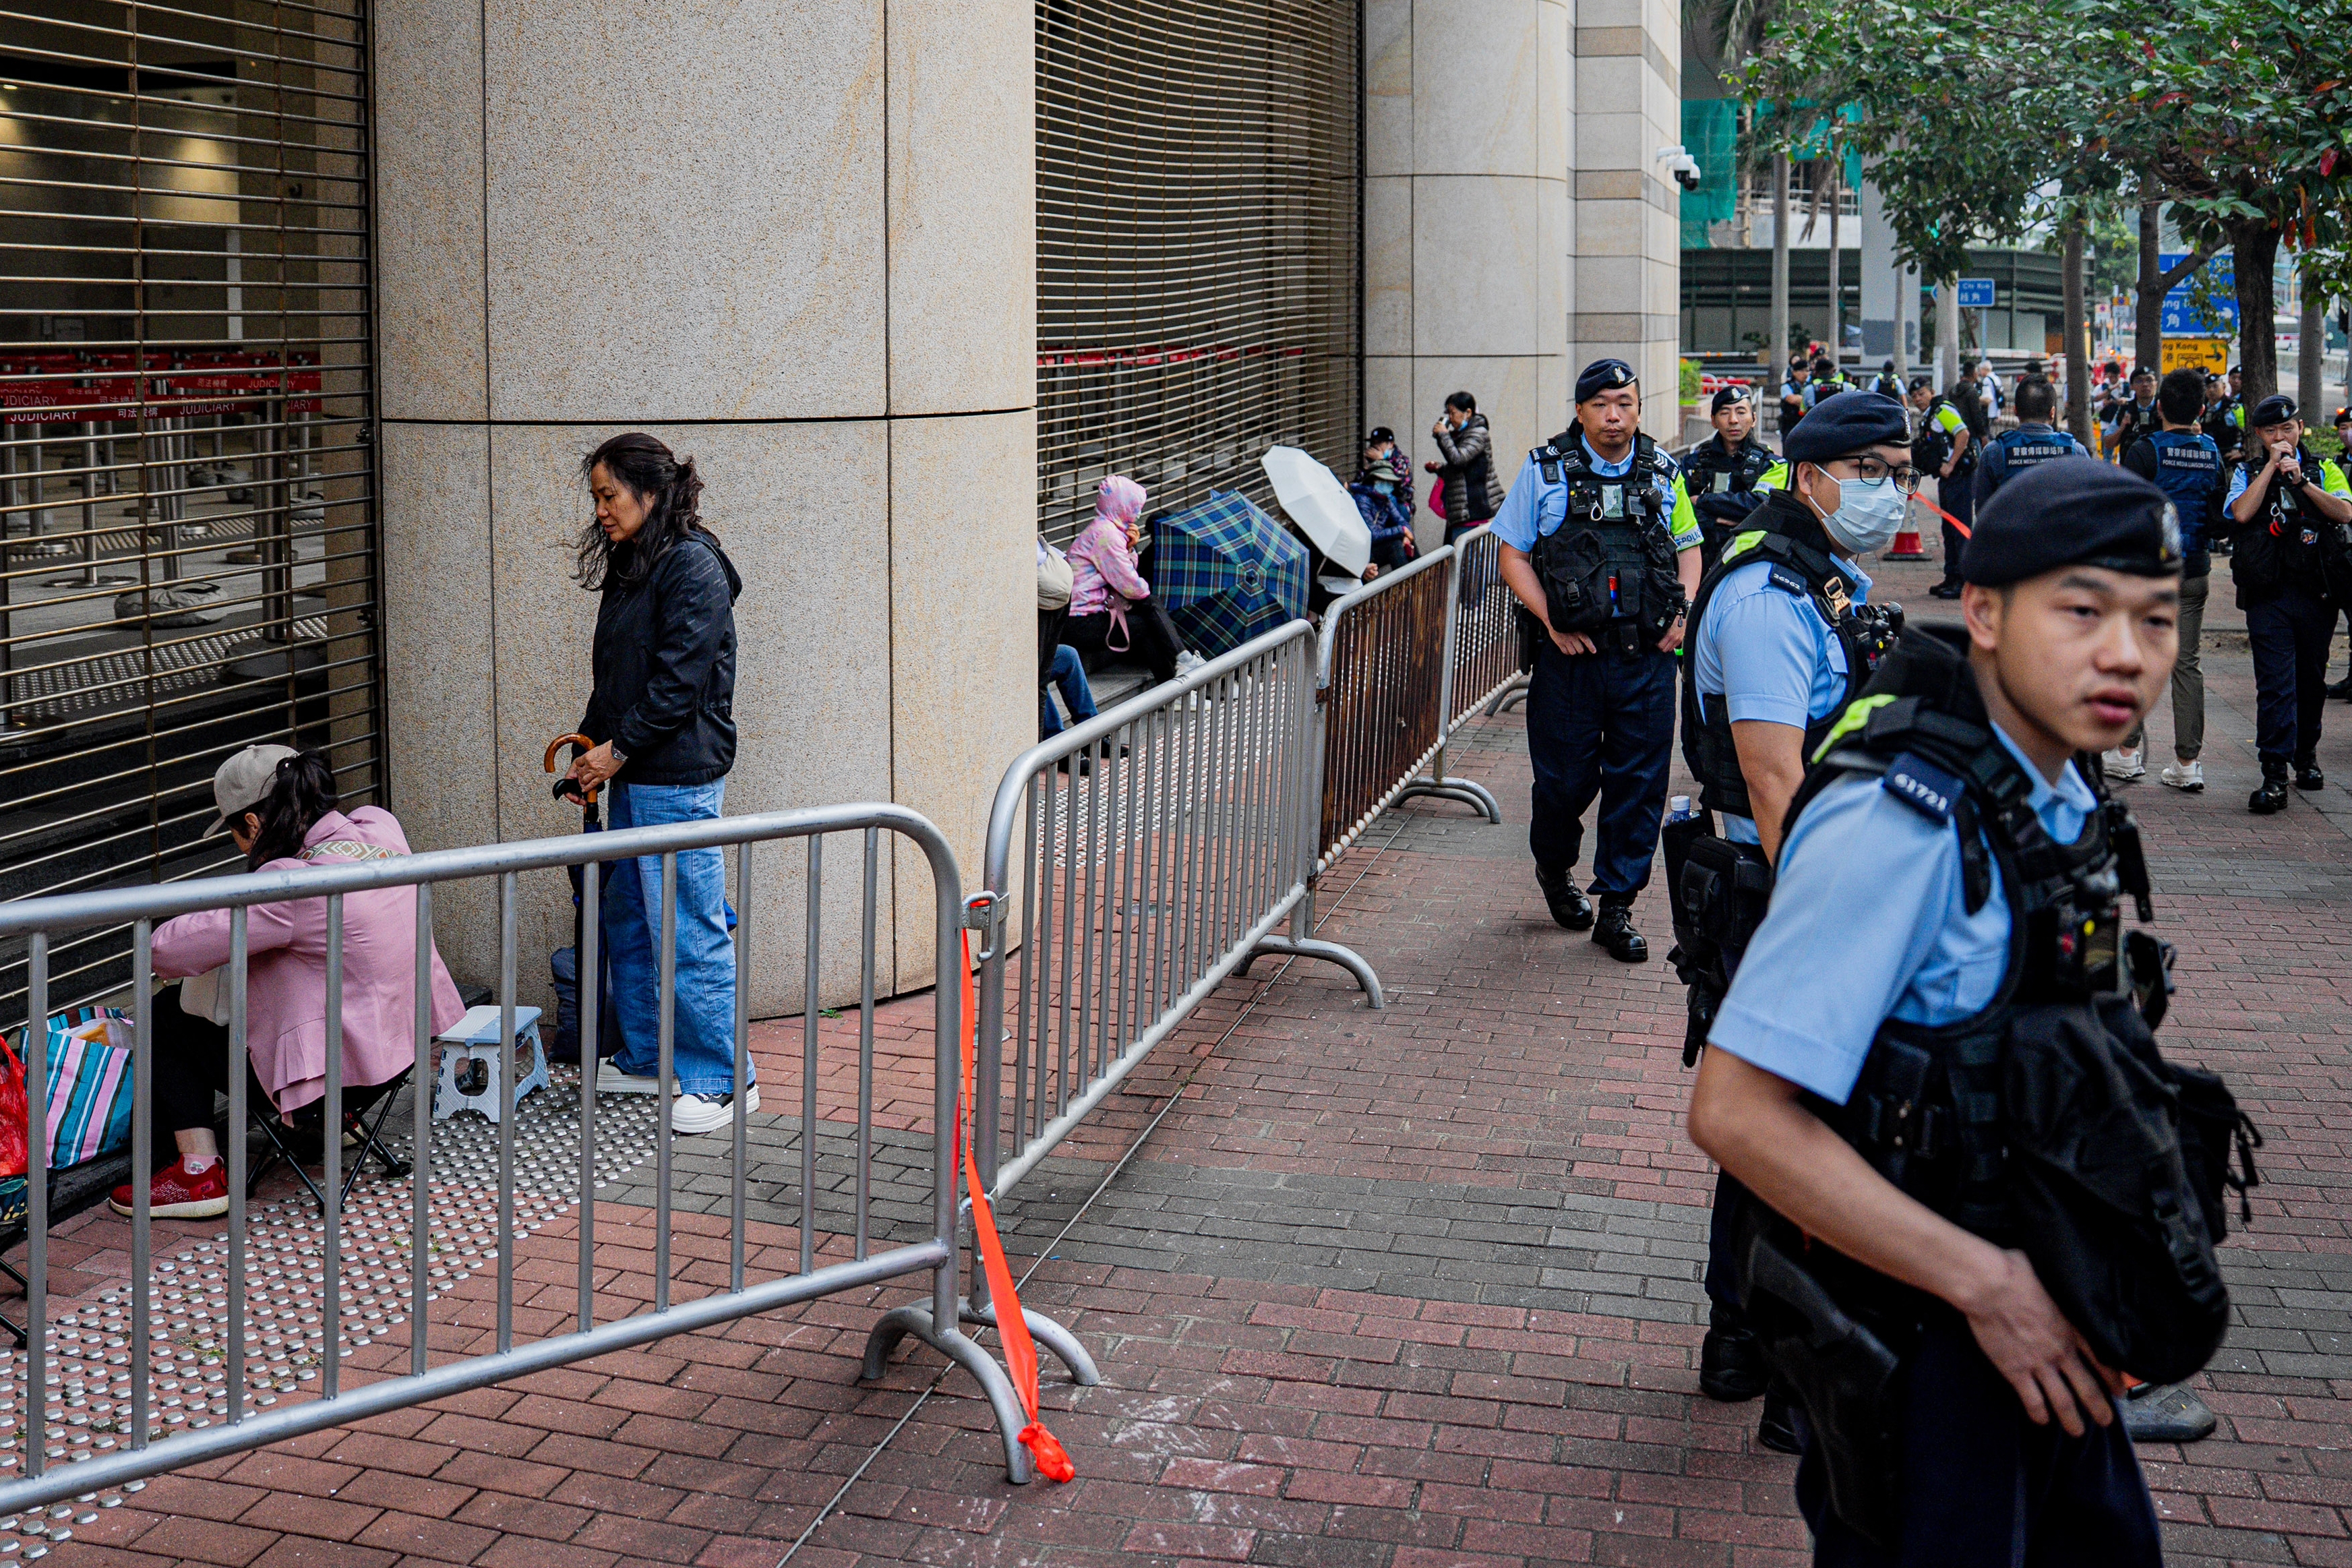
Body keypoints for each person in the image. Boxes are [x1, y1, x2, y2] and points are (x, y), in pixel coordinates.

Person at [1689, 459, 2210, 1567]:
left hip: (2043, 1335)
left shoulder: (2054, 786)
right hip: (1932, 1351)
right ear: (1979, 611)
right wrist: (1986, 1286)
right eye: (2080, 611)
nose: (2123, 652)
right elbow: (1734, 1112)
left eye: (2154, 619)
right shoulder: (1900, 814)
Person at [1677, 390, 1914, 1444]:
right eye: (1869, 468)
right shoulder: (1770, 595)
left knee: (1777, 1126)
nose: (1889, 487)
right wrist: (1835, 926)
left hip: (1792, 878)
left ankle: (1739, 1341)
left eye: (1899, 467)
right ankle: (1790, 1381)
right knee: (1809, 1131)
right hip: (1775, 886)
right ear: (1812, 475)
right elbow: (1774, 784)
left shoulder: (1815, 575)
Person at [121, 746, 466, 1217]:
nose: (241, 847)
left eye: (237, 834)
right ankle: (338, 1127)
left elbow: (164, 951)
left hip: (333, 1081)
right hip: (396, 1058)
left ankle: (198, 1171)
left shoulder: (293, 884)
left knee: (165, 1017)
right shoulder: (379, 827)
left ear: (255, 824)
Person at [563, 432, 754, 1135]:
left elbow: (678, 685)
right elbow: (616, 676)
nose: (603, 511)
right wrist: (589, 748)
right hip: (636, 768)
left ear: (649, 491)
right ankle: (650, 1056)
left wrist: (613, 751)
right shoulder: (634, 559)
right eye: (598, 498)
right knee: (634, 919)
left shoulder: (692, 568)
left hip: (676, 774)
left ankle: (720, 1080)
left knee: (686, 923)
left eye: (609, 495)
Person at [1491, 358, 1703, 962]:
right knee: (1562, 786)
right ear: (1580, 410)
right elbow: (1513, 555)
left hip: (1646, 659)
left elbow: (1688, 546)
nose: (1615, 416)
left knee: (1639, 787)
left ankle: (1617, 907)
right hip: (1571, 661)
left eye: (1626, 404)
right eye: (1602, 405)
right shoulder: (1546, 470)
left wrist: (1683, 612)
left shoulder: (1664, 471)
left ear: (1639, 408)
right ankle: (1553, 869)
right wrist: (1551, 620)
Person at [2226, 394, 2352, 811]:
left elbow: (2345, 512)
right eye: (2271, 431)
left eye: (2287, 429)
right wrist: (2269, 470)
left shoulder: (2325, 469)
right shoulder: (2246, 472)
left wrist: (2301, 482)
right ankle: (2274, 773)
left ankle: (2306, 756)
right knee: (2275, 684)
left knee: (2311, 680)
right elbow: (2240, 514)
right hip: (2269, 596)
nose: (2281, 437)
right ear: (2260, 435)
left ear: (2300, 428)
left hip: (2317, 594)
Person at [2109, 368, 2227, 789]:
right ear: (2201, 408)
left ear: (2159, 407)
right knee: (2187, 663)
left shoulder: (2144, 451)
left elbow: (2125, 509)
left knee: (2137, 656)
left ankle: (2125, 753)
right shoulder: (2211, 450)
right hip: (2195, 570)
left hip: (2151, 574)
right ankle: (2188, 763)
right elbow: (2219, 511)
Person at [1063, 475, 1203, 685]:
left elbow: (1123, 575)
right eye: (1134, 507)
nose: (1137, 514)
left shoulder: (1106, 531)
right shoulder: (1105, 535)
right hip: (1080, 621)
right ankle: (1180, 667)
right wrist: (1144, 596)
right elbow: (1129, 584)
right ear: (1121, 506)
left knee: (1147, 612)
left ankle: (1178, 675)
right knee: (1149, 609)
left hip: (1090, 614)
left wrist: (1129, 548)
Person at [1679, 385, 1779, 569]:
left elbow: (1762, 506)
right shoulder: (1693, 462)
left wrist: (1702, 501)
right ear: (1713, 421)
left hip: (1752, 562)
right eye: (1725, 413)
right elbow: (1679, 507)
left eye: (1741, 412)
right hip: (1698, 561)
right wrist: (1713, 520)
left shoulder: (1773, 465)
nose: (1733, 420)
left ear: (1754, 419)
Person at [1972, 378, 2087, 507]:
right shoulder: (2076, 451)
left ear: (2016, 411)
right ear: (2052, 413)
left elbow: (1982, 509)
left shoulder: (1994, 452)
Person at [1911, 376, 1977, 599]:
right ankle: (1952, 577)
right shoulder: (1930, 414)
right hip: (1948, 479)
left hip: (1959, 476)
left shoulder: (1942, 411)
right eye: (1914, 397)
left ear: (1931, 391)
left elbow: (1963, 433)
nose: (1918, 399)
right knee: (1948, 530)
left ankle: (1963, 583)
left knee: (1959, 529)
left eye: (1921, 394)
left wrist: (1951, 464)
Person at [1425, 393, 1505, 543]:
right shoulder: (1461, 434)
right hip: (1461, 511)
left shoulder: (1478, 433)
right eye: (1447, 413)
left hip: (1474, 510)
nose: (1450, 418)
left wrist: (1443, 435)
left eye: (1453, 413)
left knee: (1469, 561)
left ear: (1468, 413)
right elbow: (1461, 470)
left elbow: (1459, 459)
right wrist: (1439, 468)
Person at [1351, 427, 1420, 572]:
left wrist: (1405, 533)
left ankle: (1424, 580)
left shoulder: (1386, 498)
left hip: (1402, 508)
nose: (1375, 447)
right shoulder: (1363, 499)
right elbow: (1373, 534)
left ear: (1390, 444)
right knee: (1396, 542)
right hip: (1366, 547)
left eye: (1379, 443)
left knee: (1406, 542)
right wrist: (1400, 531)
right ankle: (1405, 586)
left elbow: (1402, 519)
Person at [2102, 366, 2159, 463]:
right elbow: (2108, 443)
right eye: (2139, 381)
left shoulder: (2164, 408)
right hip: (2131, 466)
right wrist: (2122, 428)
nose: (2145, 384)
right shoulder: (2126, 409)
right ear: (2131, 386)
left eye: (2149, 380)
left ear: (2156, 384)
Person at [2204, 365, 2246, 462]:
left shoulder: (2235, 408)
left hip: (2228, 458)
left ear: (2224, 387)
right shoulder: (2201, 409)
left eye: (2215, 386)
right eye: (2208, 387)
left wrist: (2242, 451)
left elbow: (2246, 432)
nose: (2211, 390)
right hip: (2207, 457)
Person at [1779, 359, 1812, 434]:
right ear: (1794, 372)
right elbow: (1792, 399)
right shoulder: (1787, 386)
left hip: (1806, 424)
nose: (1805, 374)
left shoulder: (1810, 385)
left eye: (1807, 371)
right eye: (1802, 371)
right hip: (1790, 424)